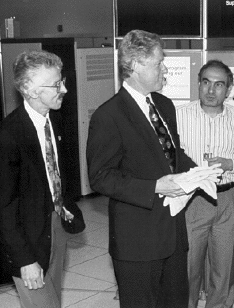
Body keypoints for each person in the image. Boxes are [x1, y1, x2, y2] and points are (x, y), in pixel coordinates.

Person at [86, 29, 221, 308]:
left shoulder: (163, 105)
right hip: (137, 240)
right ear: (135, 65)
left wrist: (199, 172)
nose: (164, 68)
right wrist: (155, 187)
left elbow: (171, 155)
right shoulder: (108, 116)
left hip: (171, 233)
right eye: (159, 62)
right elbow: (100, 177)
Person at [0, 50, 85, 308]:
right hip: (26, 238)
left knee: (54, 300)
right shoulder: (9, 135)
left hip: (55, 225)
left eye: (62, 81)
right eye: (56, 84)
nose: (65, 89)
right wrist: (24, 260)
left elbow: (58, 173)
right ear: (29, 89)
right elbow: (4, 206)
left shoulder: (55, 121)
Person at [176, 60, 234, 308]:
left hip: (227, 199)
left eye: (219, 85)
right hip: (191, 199)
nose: (211, 90)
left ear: (228, 89)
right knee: (189, 267)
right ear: (198, 84)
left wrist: (230, 165)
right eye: (206, 83)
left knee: (224, 268)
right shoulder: (179, 116)